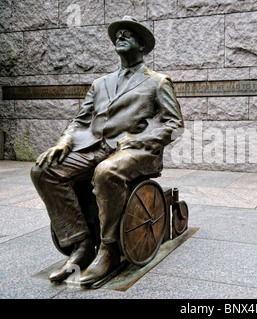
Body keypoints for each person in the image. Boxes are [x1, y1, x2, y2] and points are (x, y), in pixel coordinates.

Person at [30, 16, 184, 286]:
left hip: (134, 149)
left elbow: (175, 125)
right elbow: (80, 121)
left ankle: (108, 249)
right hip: (93, 146)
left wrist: (139, 140)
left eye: (128, 34)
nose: (120, 36)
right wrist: (63, 142)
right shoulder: (100, 83)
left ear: (142, 45)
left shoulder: (158, 82)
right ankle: (80, 244)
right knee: (43, 171)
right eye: (118, 34)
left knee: (106, 171)